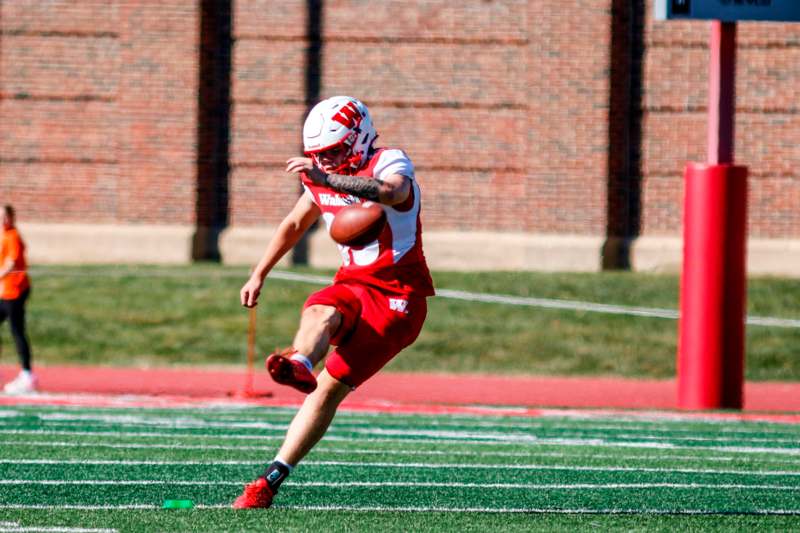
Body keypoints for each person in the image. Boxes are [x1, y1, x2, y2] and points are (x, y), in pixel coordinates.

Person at [233, 96, 434, 509]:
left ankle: (269, 481)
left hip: (399, 298)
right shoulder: (323, 175)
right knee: (319, 308)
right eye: (319, 156)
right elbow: (294, 223)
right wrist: (259, 272)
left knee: (327, 392)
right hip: (353, 282)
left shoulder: (389, 162)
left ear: (358, 138)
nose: (326, 163)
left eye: (334, 152)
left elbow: (391, 192)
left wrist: (330, 182)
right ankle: (300, 363)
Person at [0, 205, 36, 395]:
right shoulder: (3, 236)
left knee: (17, 330)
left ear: (11, 218)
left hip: (14, 292)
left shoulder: (12, 235)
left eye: (5, 217)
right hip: (5, 292)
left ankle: (27, 375)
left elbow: (11, 263)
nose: (2, 220)